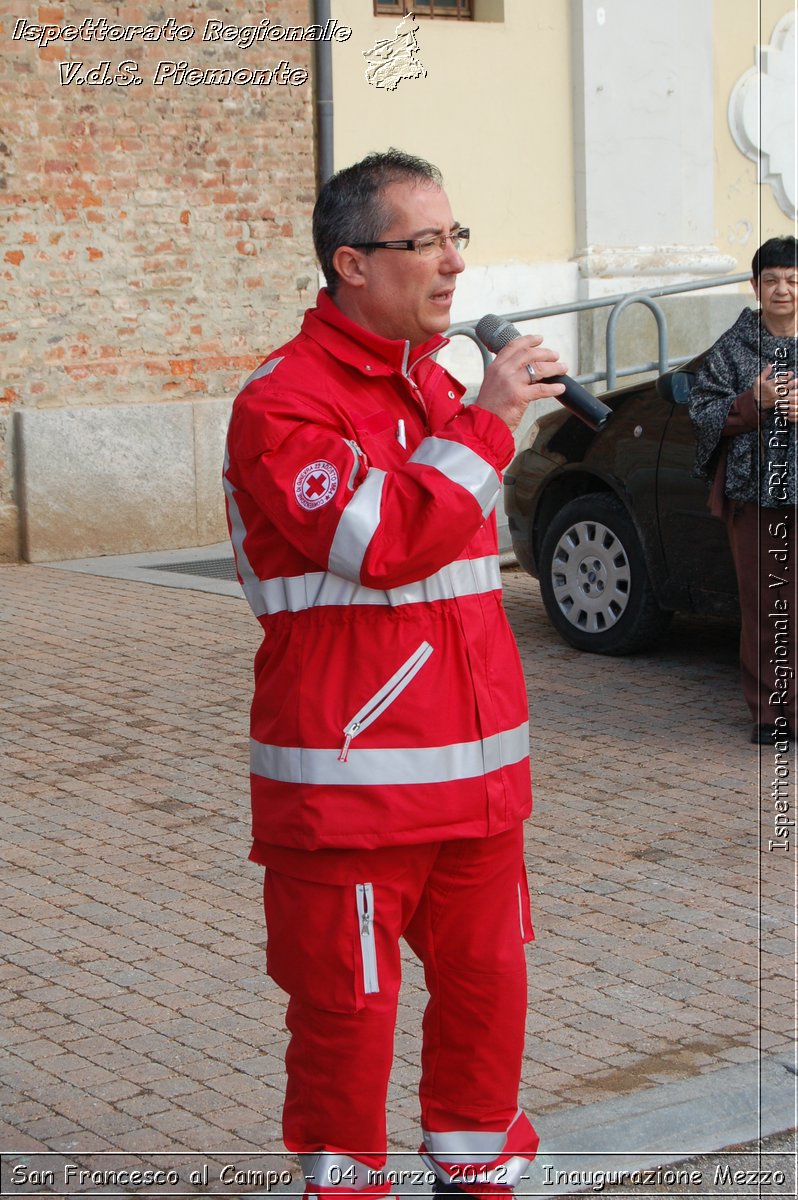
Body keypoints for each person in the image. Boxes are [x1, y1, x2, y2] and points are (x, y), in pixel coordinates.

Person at [223, 149, 568, 1199]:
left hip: (476, 796)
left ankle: (480, 1180)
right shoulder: (283, 405)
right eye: (424, 242)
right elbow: (376, 542)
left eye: (457, 237)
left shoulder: (435, 391)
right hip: (349, 797)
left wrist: (469, 422)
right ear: (351, 265)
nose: (453, 263)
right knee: (346, 1029)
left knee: (486, 1010)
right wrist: (490, 425)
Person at [688, 236, 797, 744]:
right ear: (754, 286)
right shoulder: (733, 348)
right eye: (772, 280)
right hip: (756, 498)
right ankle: (771, 716)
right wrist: (753, 401)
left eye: (793, 280)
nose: (783, 290)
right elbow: (703, 412)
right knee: (764, 609)